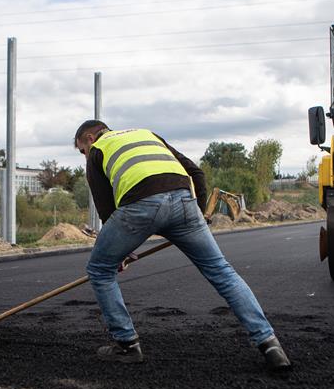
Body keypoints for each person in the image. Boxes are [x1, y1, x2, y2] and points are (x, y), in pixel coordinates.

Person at [73, 120, 292, 372]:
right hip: (184, 203)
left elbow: (107, 211)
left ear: (90, 138)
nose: (84, 156)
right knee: (222, 271)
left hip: (140, 206)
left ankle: (127, 345)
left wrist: (119, 252)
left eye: (82, 150)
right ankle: (269, 343)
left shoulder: (98, 151)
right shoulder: (148, 134)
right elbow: (196, 172)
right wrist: (199, 215)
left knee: (100, 270)